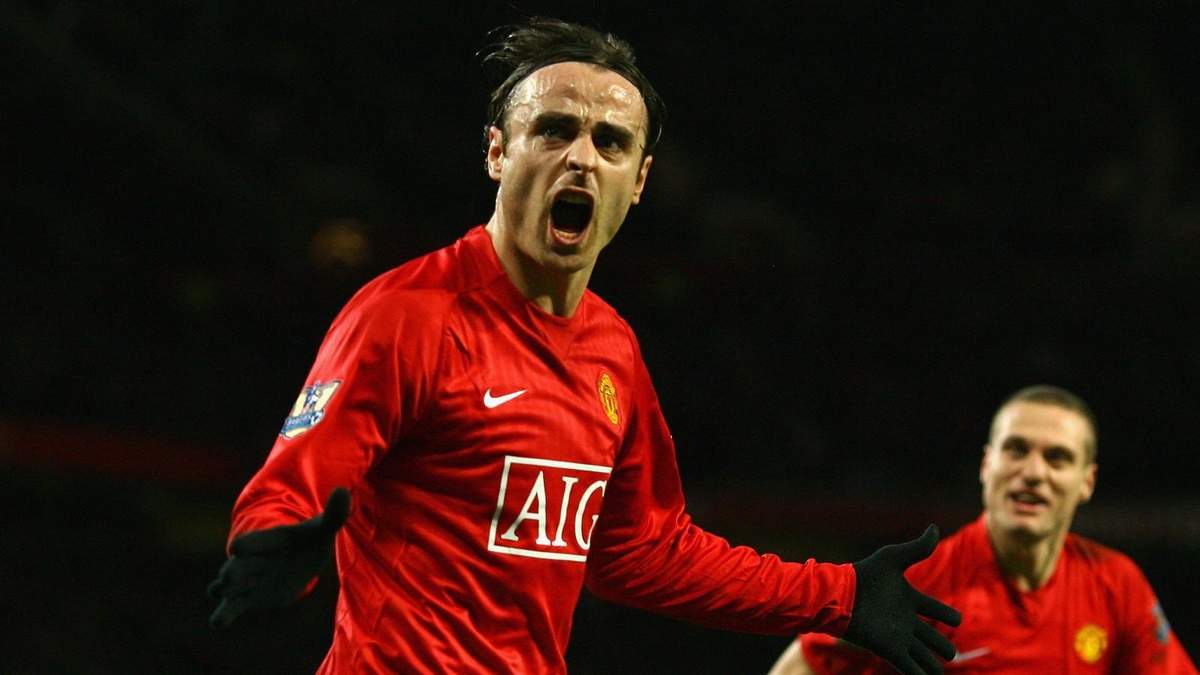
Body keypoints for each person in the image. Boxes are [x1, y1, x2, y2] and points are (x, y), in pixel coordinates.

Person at [206, 18, 961, 674]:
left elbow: (643, 549)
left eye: (610, 142)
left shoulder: (612, 349)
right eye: (554, 130)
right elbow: (292, 486)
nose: (581, 157)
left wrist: (840, 594)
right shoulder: (408, 316)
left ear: (639, 180)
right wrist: (271, 547)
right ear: (497, 153)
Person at [769, 385, 1198, 674]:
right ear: (986, 464)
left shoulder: (1116, 584)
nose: (1033, 472)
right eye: (1016, 450)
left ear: (1087, 482)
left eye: (1057, 458)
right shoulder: (922, 583)